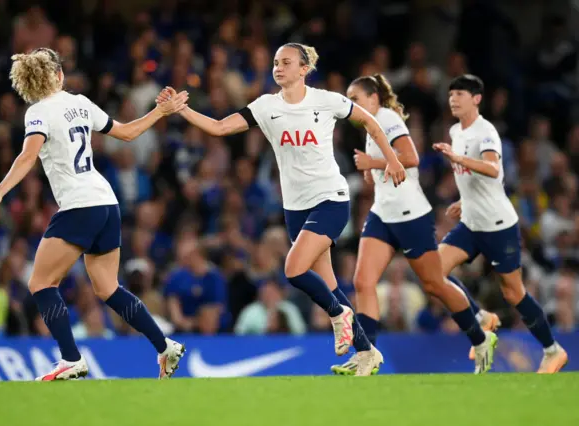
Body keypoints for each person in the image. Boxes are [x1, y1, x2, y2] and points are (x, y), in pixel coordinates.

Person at [157, 42, 407, 376]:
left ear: (304, 69)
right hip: (295, 208)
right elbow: (219, 127)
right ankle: (366, 352)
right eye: (275, 62)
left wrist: (391, 159)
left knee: (293, 269)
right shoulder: (265, 106)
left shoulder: (327, 100)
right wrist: (181, 111)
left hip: (330, 198)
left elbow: (370, 123)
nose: (278, 67)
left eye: (286, 62)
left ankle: (338, 316)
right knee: (328, 285)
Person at [0, 48, 189, 380]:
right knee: (107, 288)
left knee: (41, 282)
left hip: (79, 204)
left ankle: (71, 358)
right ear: (58, 75)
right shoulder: (80, 103)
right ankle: (164, 346)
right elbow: (128, 133)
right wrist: (160, 112)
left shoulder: (37, 113)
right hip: (107, 202)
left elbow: (28, 155)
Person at [330, 74, 498, 376]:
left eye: (354, 99)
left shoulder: (387, 119)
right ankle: (367, 354)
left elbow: (411, 157)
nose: (349, 105)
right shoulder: (370, 127)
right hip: (383, 214)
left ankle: (479, 334)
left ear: (373, 99)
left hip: (410, 215)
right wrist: (374, 171)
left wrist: (372, 164)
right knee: (363, 282)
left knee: (434, 284)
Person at [434, 74, 568, 374]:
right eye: (451, 94)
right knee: (433, 271)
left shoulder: (486, 132)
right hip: (471, 222)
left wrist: (457, 158)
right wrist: (464, 200)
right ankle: (482, 318)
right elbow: (475, 180)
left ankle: (553, 350)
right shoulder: (456, 130)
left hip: (497, 225)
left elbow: (494, 169)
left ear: (477, 99)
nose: (453, 99)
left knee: (513, 292)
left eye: (460, 94)